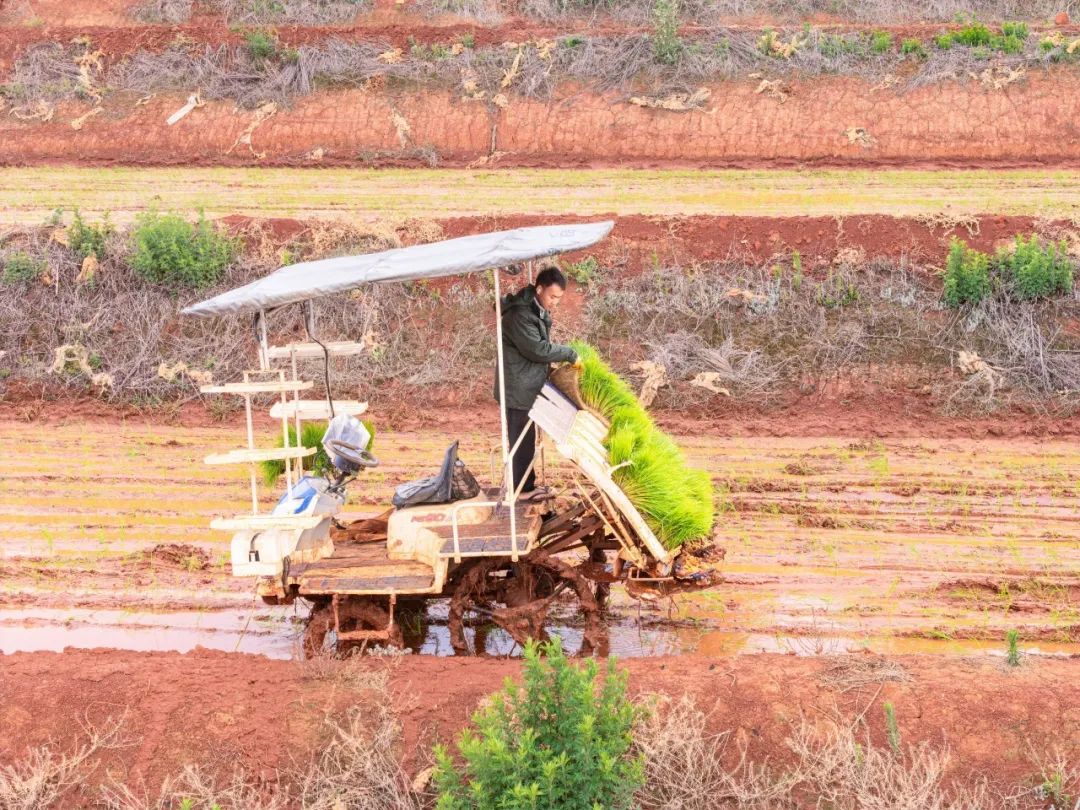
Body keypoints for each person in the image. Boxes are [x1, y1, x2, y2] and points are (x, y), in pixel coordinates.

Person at [494, 266, 582, 500]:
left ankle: (527, 485)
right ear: (540, 289)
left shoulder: (535, 309)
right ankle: (521, 490)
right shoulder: (520, 315)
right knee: (520, 439)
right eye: (552, 296)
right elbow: (537, 349)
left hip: (526, 383)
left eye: (559, 298)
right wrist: (569, 354)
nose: (555, 302)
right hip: (517, 386)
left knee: (526, 437)